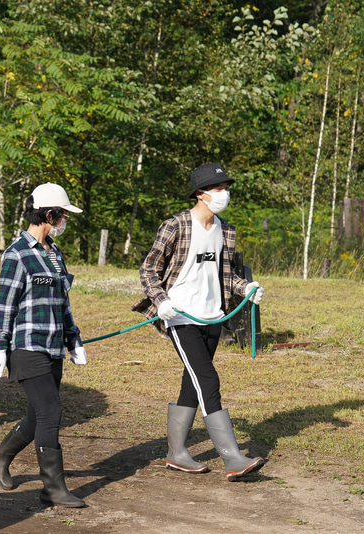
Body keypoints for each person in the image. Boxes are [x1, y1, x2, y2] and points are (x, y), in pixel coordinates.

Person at [132, 163, 267, 482]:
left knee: (192, 382)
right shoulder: (176, 225)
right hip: (180, 317)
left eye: (226, 188)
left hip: (213, 317)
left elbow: (226, 276)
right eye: (219, 188)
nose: (225, 193)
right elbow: (148, 269)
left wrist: (246, 288)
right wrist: (160, 301)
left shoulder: (227, 230)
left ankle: (177, 454)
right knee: (208, 380)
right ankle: (233, 458)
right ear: (200, 193)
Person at [0, 183, 88, 508]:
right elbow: (5, 305)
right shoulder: (17, 254)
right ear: (49, 214)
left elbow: (62, 302)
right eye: (63, 216)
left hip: (53, 346)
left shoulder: (54, 253)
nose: (65, 222)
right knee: (51, 412)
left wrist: (74, 340)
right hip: (27, 348)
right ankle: (53, 488)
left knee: (36, 415)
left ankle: (1, 455)